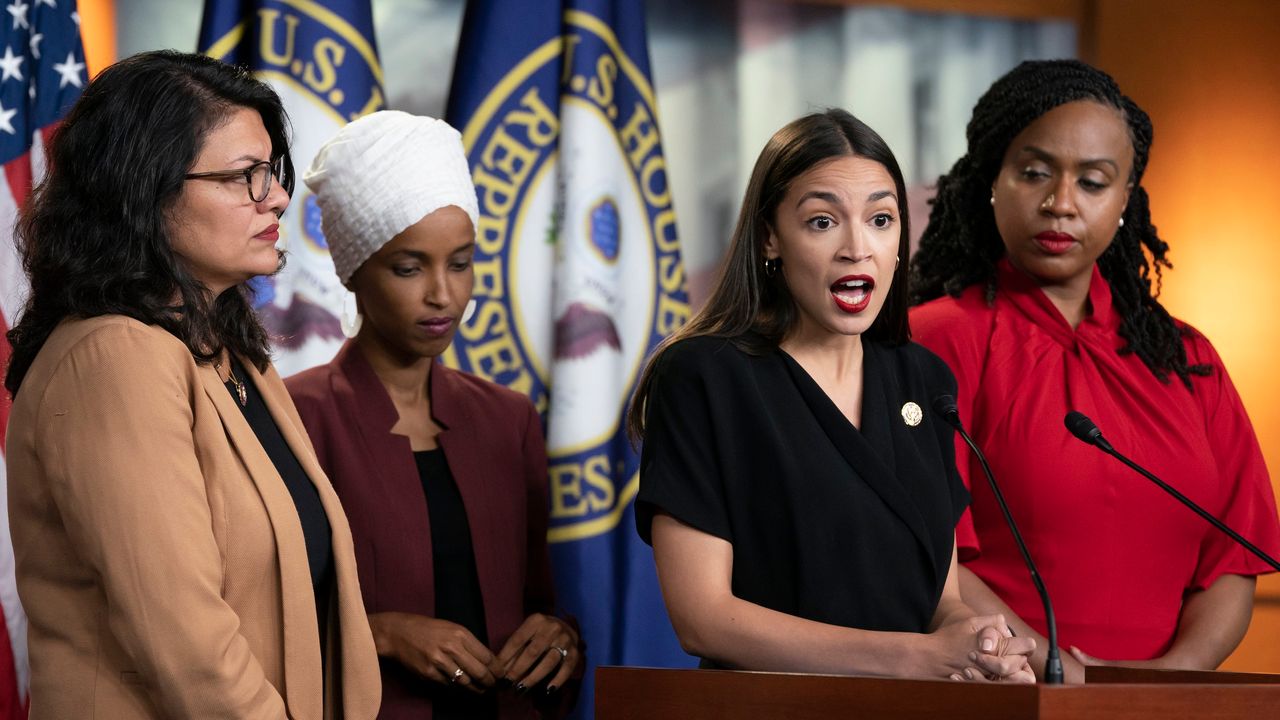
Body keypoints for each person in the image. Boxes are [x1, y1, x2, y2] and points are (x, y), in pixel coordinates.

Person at [4, 51, 380, 718]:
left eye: (272, 172)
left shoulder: (231, 354)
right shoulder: (114, 358)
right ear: (144, 190)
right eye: (243, 177)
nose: (278, 197)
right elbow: (192, 652)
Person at [627, 109, 1035, 682]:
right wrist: (915, 658)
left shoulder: (925, 381)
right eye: (822, 221)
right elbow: (704, 619)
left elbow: (941, 601)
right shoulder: (704, 376)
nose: (857, 247)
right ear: (770, 237)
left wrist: (978, 647)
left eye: (881, 219)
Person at [910, 59, 1280, 682]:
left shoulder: (1189, 358)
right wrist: (1068, 680)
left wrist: (1165, 684)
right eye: (1034, 173)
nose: (1061, 204)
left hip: (1168, 708)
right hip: (1003, 694)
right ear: (991, 180)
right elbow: (931, 555)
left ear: (1125, 198)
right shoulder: (934, 340)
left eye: (1093, 181)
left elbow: (1233, 560)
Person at [287, 110, 582, 719]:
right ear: (352, 270)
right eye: (409, 267)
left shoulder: (508, 419)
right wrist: (381, 632)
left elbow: (539, 600)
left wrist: (559, 639)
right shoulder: (295, 419)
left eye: (461, 262)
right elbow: (253, 618)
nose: (443, 295)